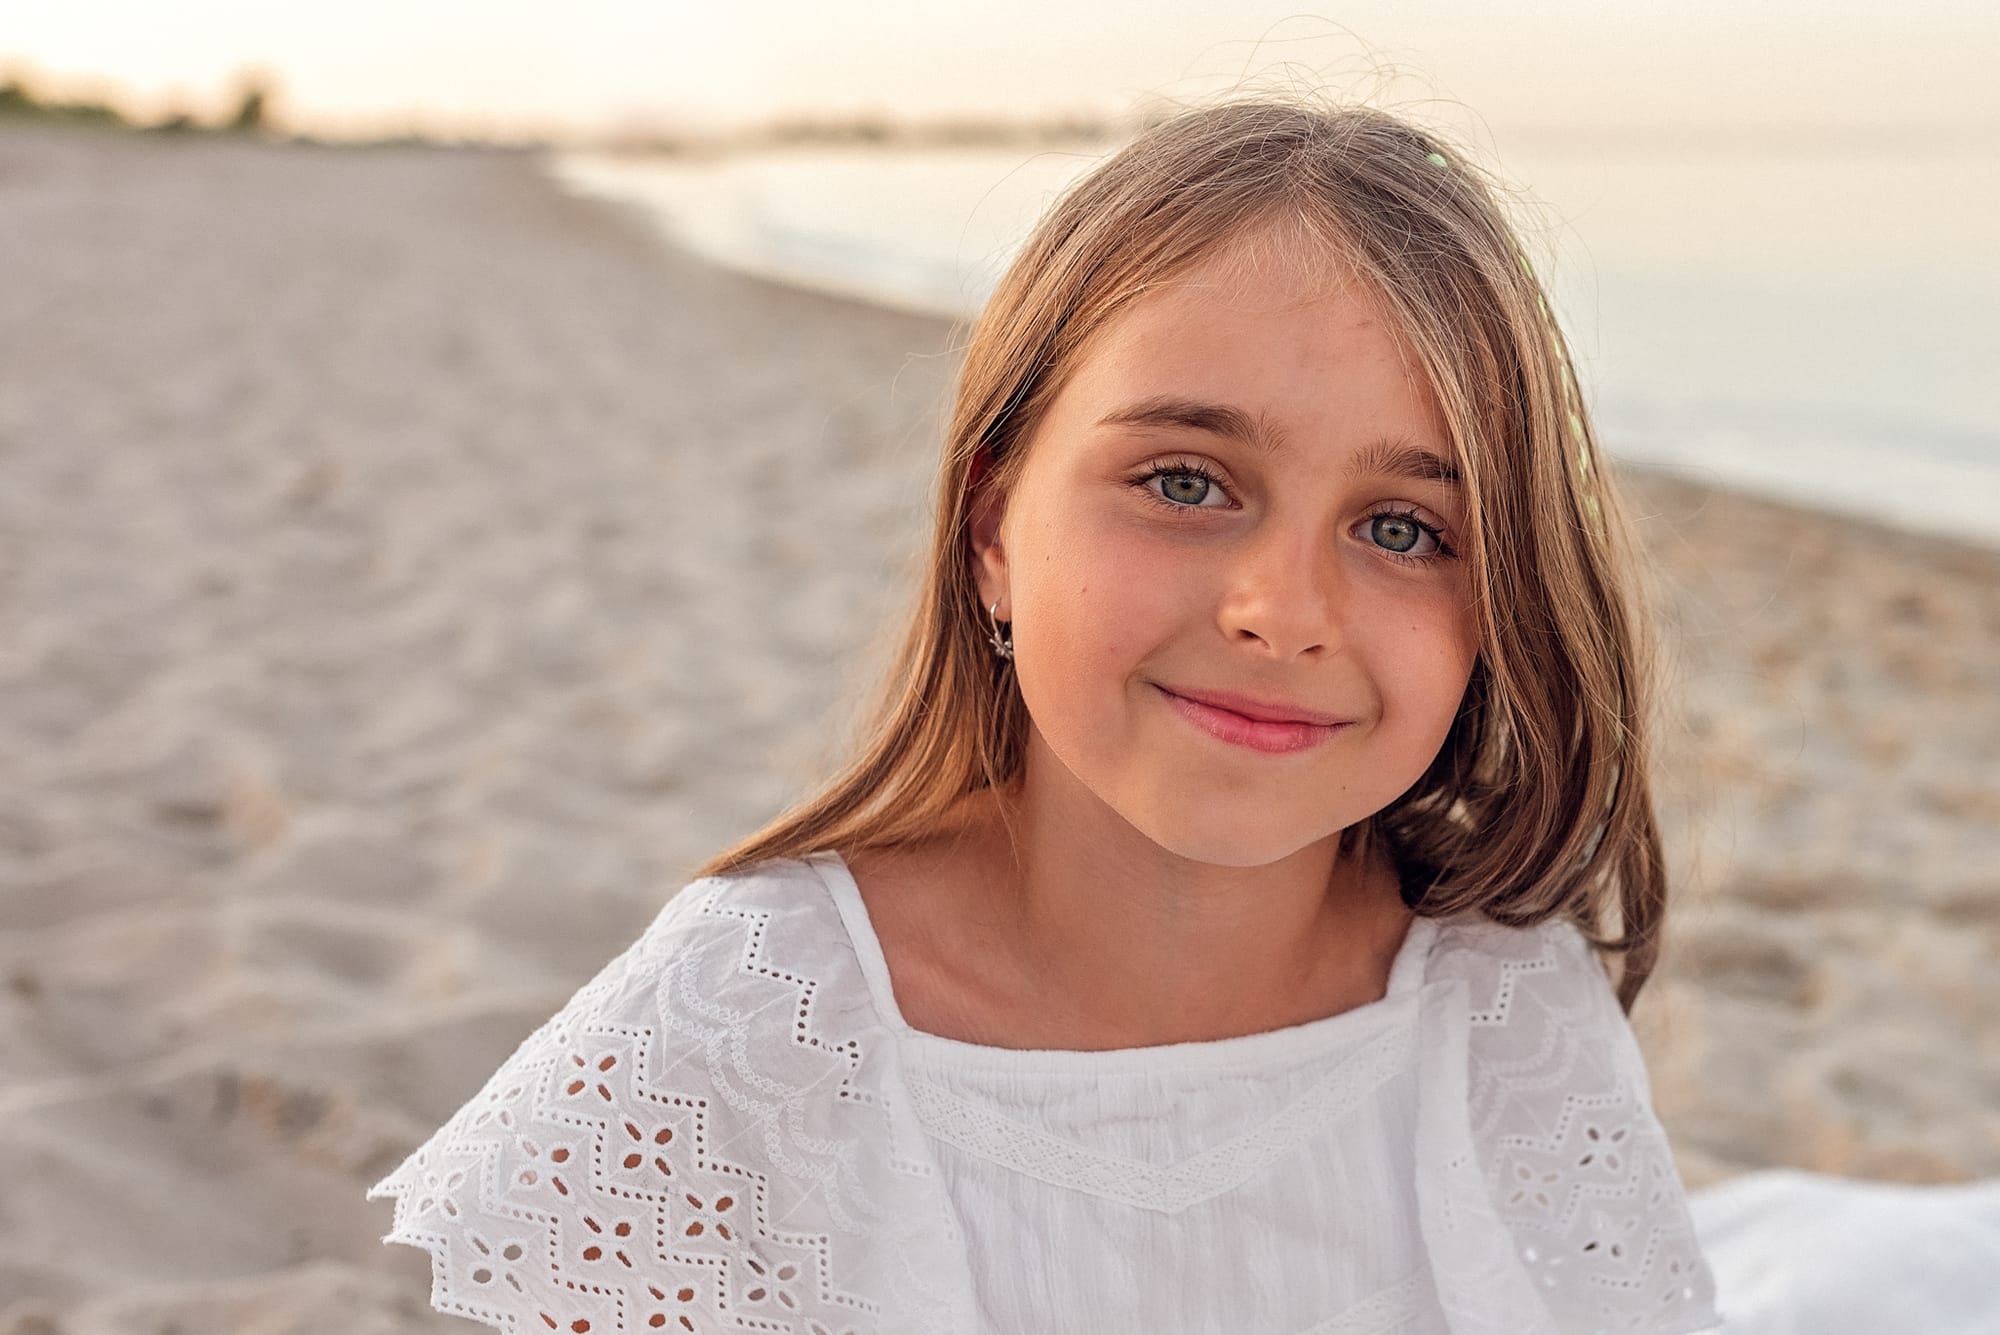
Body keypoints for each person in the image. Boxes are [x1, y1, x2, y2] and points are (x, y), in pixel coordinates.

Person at [366, 97, 1727, 1334]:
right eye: (1187, 483)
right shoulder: (737, 1043)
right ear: (993, 526)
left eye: (1402, 526)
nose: (1283, 610)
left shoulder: (1501, 1001)